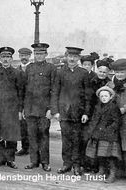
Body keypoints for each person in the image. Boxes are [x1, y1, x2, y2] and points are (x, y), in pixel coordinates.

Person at [52, 46, 91, 176]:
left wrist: (86, 112)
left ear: (78, 58)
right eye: (70, 56)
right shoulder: (60, 72)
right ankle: (66, 164)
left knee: (77, 140)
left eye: (75, 57)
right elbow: (55, 93)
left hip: (78, 113)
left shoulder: (83, 73)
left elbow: (87, 96)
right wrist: (55, 111)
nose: (72, 59)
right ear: (66, 57)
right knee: (66, 139)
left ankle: (76, 165)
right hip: (64, 112)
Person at [0, 47, 23, 169]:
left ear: (11, 59)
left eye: (8, 57)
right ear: (0, 58)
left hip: (12, 110)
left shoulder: (17, 73)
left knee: (11, 136)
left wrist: (20, 110)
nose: (5, 59)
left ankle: (10, 160)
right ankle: (0, 159)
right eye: (3, 57)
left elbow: (20, 93)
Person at [24, 43, 55, 172]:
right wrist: (25, 108)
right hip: (31, 109)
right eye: (36, 54)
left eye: (41, 53)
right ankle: (33, 161)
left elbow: (54, 90)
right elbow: (25, 90)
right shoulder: (29, 68)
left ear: (46, 54)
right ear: (34, 55)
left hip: (44, 110)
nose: (39, 56)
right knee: (32, 136)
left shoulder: (51, 68)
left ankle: (45, 162)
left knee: (43, 136)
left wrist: (50, 109)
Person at [85, 86, 121, 183]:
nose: (104, 98)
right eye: (102, 96)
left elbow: (116, 122)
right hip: (98, 133)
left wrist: (107, 130)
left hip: (109, 135)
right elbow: (94, 120)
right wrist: (91, 131)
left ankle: (112, 174)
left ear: (110, 97)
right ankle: (102, 171)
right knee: (100, 154)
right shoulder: (98, 107)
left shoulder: (113, 107)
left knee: (110, 156)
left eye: (106, 96)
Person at [109, 58, 126, 179]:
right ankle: (113, 172)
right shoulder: (110, 84)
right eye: (117, 72)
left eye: (122, 72)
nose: (119, 75)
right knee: (112, 145)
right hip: (113, 119)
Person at [15, 47, 32, 156]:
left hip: (32, 101)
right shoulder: (17, 69)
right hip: (20, 101)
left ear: (29, 56)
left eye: (26, 55)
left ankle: (33, 148)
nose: (24, 58)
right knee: (22, 126)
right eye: (21, 55)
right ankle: (25, 147)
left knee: (32, 126)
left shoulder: (33, 68)